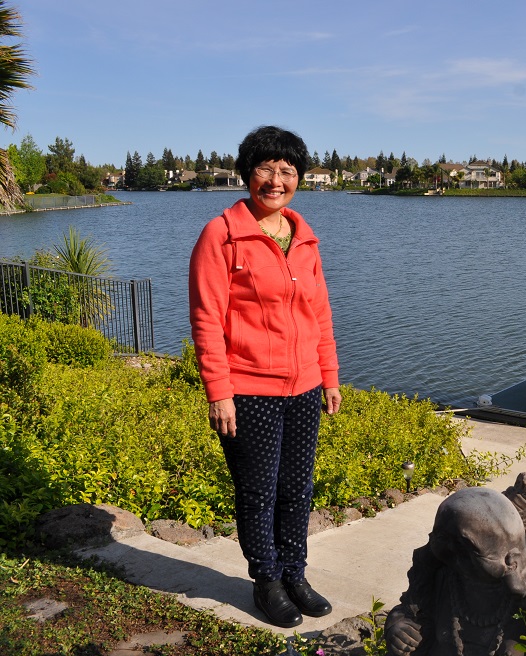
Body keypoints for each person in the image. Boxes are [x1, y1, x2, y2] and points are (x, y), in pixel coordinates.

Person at [188, 125, 341, 629]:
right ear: (246, 174)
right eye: (265, 169)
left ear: (299, 178)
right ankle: (267, 581)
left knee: (297, 488)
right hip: (248, 388)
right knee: (258, 492)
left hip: (304, 386)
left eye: (287, 171)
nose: (276, 180)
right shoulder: (221, 234)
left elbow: (320, 314)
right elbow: (206, 318)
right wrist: (219, 392)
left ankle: (295, 574)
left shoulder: (304, 238)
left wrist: (329, 376)